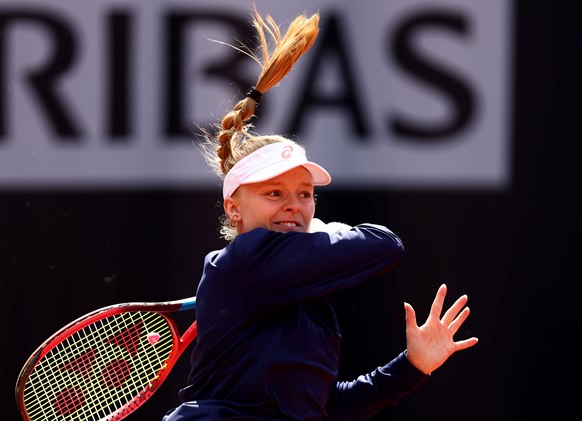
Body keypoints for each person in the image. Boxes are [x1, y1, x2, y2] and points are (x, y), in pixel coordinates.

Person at [163, 9, 478, 421]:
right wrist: (319, 228)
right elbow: (384, 245)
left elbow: (324, 408)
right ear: (233, 208)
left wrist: (412, 367)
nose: (294, 204)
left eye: (305, 194)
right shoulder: (247, 261)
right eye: (274, 193)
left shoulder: (309, 305)